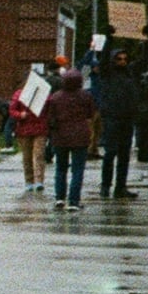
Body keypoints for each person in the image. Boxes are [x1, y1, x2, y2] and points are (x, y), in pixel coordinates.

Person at [44, 67, 96, 207]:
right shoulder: (86, 96)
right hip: (80, 136)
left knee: (60, 168)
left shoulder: (55, 97)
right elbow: (91, 114)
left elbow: (50, 118)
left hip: (60, 137)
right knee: (78, 170)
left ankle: (60, 198)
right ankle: (74, 200)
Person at [92, 49, 141, 199]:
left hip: (127, 118)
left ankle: (120, 186)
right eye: (119, 59)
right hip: (112, 117)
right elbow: (104, 60)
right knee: (110, 153)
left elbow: (143, 60)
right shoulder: (107, 74)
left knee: (124, 155)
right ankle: (106, 186)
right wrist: (108, 39)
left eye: (125, 59)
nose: (122, 61)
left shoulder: (130, 74)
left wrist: (147, 41)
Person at [6, 66, 48, 190]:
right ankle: (29, 181)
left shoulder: (43, 94)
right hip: (24, 129)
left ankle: (39, 180)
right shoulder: (19, 94)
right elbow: (12, 110)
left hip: (39, 128)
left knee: (39, 155)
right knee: (27, 156)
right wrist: (20, 115)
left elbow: (49, 108)